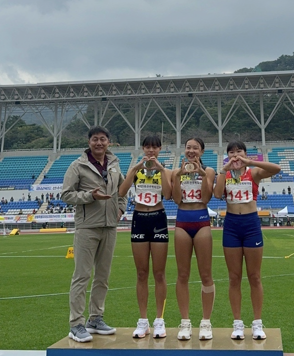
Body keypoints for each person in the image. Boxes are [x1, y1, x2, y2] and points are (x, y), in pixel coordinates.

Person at [61, 126, 127, 343]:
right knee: (81, 276)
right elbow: (66, 194)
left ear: (109, 142)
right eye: (95, 139)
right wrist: (90, 196)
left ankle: (96, 318)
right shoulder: (77, 165)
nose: (99, 143)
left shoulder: (115, 164)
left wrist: (120, 209)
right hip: (87, 227)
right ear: (89, 142)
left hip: (110, 226)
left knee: (103, 276)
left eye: (103, 139)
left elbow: (123, 189)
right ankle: (76, 323)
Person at [214, 140, 281, 340]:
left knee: (255, 276)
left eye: (239, 152)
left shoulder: (252, 173)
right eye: (232, 153)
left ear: (244, 154)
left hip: (251, 224)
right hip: (232, 225)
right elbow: (217, 194)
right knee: (234, 277)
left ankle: (257, 324)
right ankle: (237, 324)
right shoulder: (225, 175)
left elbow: (276, 169)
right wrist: (223, 170)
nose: (235, 155)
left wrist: (250, 161)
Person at [118, 135, 172, 339]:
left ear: (160, 149)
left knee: (159, 273)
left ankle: (160, 320)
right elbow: (121, 192)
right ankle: (143, 321)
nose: (151, 150)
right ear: (142, 148)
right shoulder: (136, 170)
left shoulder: (163, 170)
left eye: (155, 147)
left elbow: (168, 195)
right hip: (139, 218)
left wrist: (161, 170)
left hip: (158, 218)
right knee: (141, 273)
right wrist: (133, 169)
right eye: (147, 147)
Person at [171, 137, 215, 341]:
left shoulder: (210, 171)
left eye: (195, 148)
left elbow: (206, 198)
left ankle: (206, 322)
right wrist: (179, 176)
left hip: (201, 220)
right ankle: (185, 322)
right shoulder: (175, 172)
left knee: (206, 274)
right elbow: (177, 199)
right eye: (188, 147)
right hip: (182, 220)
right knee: (182, 274)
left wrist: (201, 174)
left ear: (202, 151)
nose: (191, 151)